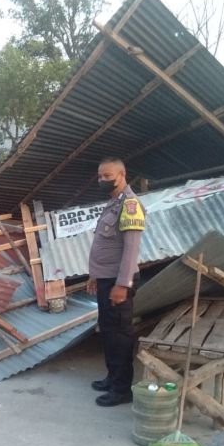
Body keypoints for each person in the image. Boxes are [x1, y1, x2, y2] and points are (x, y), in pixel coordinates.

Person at [86, 157, 146, 407]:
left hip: (118, 281)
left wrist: (123, 285)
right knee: (109, 332)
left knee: (120, 335)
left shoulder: (130, 205)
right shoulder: (112, 203)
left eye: (107, 176)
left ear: (122, 175)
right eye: (100, 176)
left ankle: (122, 389)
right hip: (106, 278)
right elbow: (104, 245)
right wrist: (94, 275)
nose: (102, 180)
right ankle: (112, 377)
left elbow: (131, 249)